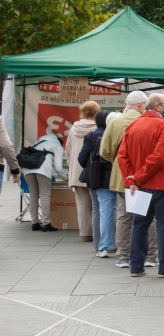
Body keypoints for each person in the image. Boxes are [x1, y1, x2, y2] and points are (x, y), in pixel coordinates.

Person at [116, 94, 164, 278]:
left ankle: (136, 266)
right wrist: (137, 177)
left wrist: (132, 180)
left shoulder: (132, 125)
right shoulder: (163, 125)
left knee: (139, 225)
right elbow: (159, 157)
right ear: (159, 106)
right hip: (160, 184)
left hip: (139, 186)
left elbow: (122, 156)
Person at [102, 91, 158, 269]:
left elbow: (105, 150)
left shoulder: (115, 122)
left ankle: (123, 256)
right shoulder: (147, 122)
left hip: (122, 176)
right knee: (149, 217)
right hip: (146, 174)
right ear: (142, 105)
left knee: (124, 217)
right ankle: (151, 255)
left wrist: (117, 162)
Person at [78, 110, 115, 257]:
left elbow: (82, 159)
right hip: (113, 176)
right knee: (112, 210)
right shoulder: (112, 134)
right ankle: (111, 242)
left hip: (95, 178)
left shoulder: (91, 136)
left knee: (97, 209)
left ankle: (101, 244)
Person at [64, 101, 99, 242]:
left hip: (77, 171)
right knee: (97, 204)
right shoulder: (99, 128)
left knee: (82, 205)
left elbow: (68, 150)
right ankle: (99, 233)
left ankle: (86, 233)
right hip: (96, 170)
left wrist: (70, 166)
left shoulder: (74, 128)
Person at [23, 131, 67, 231]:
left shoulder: (37, 143)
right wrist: (66, 179)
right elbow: (59, 167)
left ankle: (34, 222)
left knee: (33, 194)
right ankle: (46, 223)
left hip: (27, 167)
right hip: (42, 168)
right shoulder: (56, 145)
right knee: (44, 194)